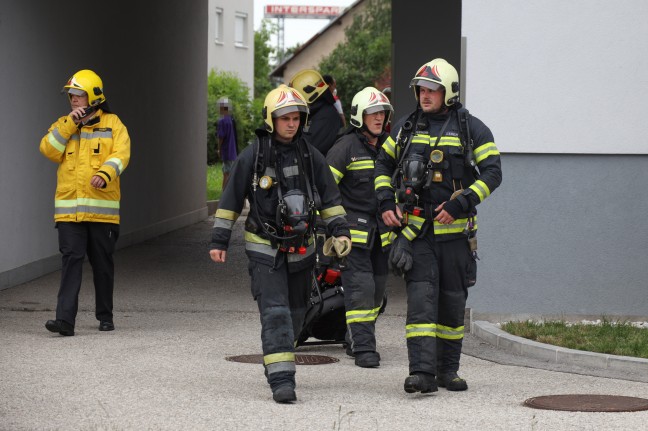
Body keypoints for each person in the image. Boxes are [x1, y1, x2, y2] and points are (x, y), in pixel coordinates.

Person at [209, 85, 350, 404]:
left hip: (302, 251)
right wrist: (219, 239)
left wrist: (341, 232)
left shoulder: (310, 155)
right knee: (275, 314)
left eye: (296, 118)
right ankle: (282, 379)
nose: (291, 123)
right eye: (284, 118)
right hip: (265, 250)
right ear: (271, 119)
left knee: (298, 317)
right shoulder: (254, 155)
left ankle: (280, 356)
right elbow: (231, 200)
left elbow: (330, 198)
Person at [374, 58, 502, 393]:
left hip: (456, 237)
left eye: (432, 89)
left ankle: (448, 372)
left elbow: (493, 172)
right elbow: (382, 164)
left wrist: (462, 203)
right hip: (418, 234)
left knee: (451, 303)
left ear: (449, 92)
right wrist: (386, 201)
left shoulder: (471, 129)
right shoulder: (405, 128)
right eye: (421, 89)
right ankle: (422, 373)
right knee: (420, 302)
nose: (425, 95)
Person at [40, 69, 131, 336]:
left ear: (93, 96)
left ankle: (105, 315)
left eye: (78, 95)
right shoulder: (63, 125)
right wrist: (69, 124)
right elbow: (48, 149)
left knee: (102, 264)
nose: (73, 100)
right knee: (71, 261)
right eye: (71, 95)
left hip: (102, 213)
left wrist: (105, 174)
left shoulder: (114, 124)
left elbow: (122, 154)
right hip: (70, 214)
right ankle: (65, 321)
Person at [326, 87, 395, 368]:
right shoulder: (345, 148)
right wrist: (332, 226)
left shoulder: (391, 147)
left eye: (382, 113)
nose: (379, 118)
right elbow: (325, 188)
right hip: (352, 235)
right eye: (373, 113)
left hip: (382, 235)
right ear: (358, 116)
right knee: (361, 288)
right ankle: (364, 348)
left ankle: (352, 335)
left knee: (378, 291)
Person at [289, 69, 341, 156]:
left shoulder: (326, 116)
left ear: (309, 95)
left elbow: (309, 149)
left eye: (297, 99)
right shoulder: (314, 113)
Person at [216, 97, 238, 190]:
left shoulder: (222, 120)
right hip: (232, 150)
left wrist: (219, 149)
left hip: (226, 151)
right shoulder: (230, 119)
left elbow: (221, 136)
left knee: (227, 173)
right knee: (229, 172)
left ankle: (225, 195)